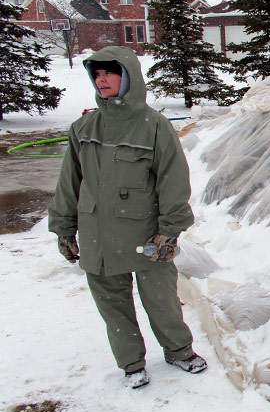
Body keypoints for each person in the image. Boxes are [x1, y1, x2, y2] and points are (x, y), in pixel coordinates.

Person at [49, 46, 207, 389]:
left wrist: (170, 230)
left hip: (145, 233)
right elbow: (69, 184)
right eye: (98, 74)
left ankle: (179, 350)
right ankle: (131, 362)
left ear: (128, 77)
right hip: (98, 235)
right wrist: (63, 228)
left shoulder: (154, 126)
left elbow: (173, 181)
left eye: (110, 72)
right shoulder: (84, 127)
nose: (102, 79)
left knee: (161, 299)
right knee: (112, 304)